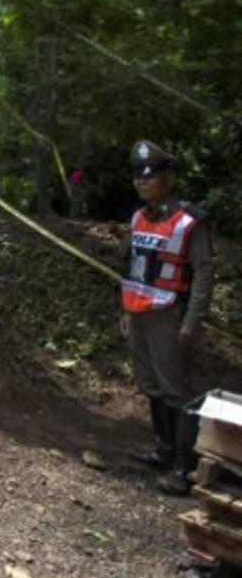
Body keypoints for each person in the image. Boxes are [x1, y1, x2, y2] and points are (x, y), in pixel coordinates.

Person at [120, 140, 213, 496]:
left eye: (153, 174)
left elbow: (203, 272)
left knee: (176, 390)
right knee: (151, 383)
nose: (144, 180)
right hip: (139, 313)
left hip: (169, 314)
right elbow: (132, 267)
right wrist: (125, 311)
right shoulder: (138, 218)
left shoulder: (190, 221)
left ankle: (182, 469)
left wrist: (192, 320)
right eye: (139, 175)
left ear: (168, 177)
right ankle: (163, 450)